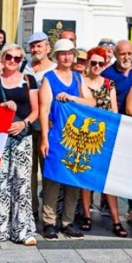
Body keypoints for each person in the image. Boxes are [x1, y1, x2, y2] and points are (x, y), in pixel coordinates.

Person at [0, 43, 39, 245]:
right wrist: (2, 107)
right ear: (3, 57)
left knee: (22, 182)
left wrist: (24, 123)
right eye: (9, 57)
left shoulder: (29, 80)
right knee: (0, 182)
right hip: (0, 137)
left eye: (17, 58)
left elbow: (36, 110)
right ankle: (0, 228)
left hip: (22, 136)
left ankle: (23, 230)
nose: (12, 61)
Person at [39, 39, 89, 239]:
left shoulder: (78, 77)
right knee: (52, 178)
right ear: (57, 56)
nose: (67, 57)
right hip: (56, 134)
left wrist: (72, 97)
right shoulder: (49, 78)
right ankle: (49, 221)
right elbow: (43, 110)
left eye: (70, 53)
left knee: (73, 178)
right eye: (63, 53)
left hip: (76, 135)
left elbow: (91, 102)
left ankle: (68, 221)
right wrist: (44, 138)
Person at [77, 47, 125, 236]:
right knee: (85, 177)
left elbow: (114, 112)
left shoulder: (109, 84)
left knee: (108, 179)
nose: (97, 66)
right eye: (94, 62)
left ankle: (116, 219)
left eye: (101, 63)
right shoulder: (80, 81)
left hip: (105, 136)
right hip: (84, 135)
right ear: (88, 62)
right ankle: (87, 215)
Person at [102, 39, 132, 112]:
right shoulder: (106, 74)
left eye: (129, 54)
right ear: (115, 55)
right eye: (122, 54)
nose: (126, 58)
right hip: (118, 116)